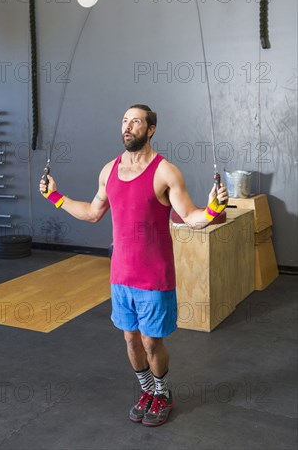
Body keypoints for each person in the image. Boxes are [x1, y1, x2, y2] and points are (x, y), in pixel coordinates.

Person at [39, 104, 228, 427]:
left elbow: (192, 217)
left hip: (154, 277)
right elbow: (92, 212)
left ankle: (162, 392)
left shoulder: (165, 172)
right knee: (130, 339)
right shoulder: (109, 170)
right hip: (120, 275)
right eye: (124, 121)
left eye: (135, 122)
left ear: (150, 129)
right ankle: (146, 391)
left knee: (151, 342)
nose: (127, 127)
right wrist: (56, 197)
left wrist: (212, 209)